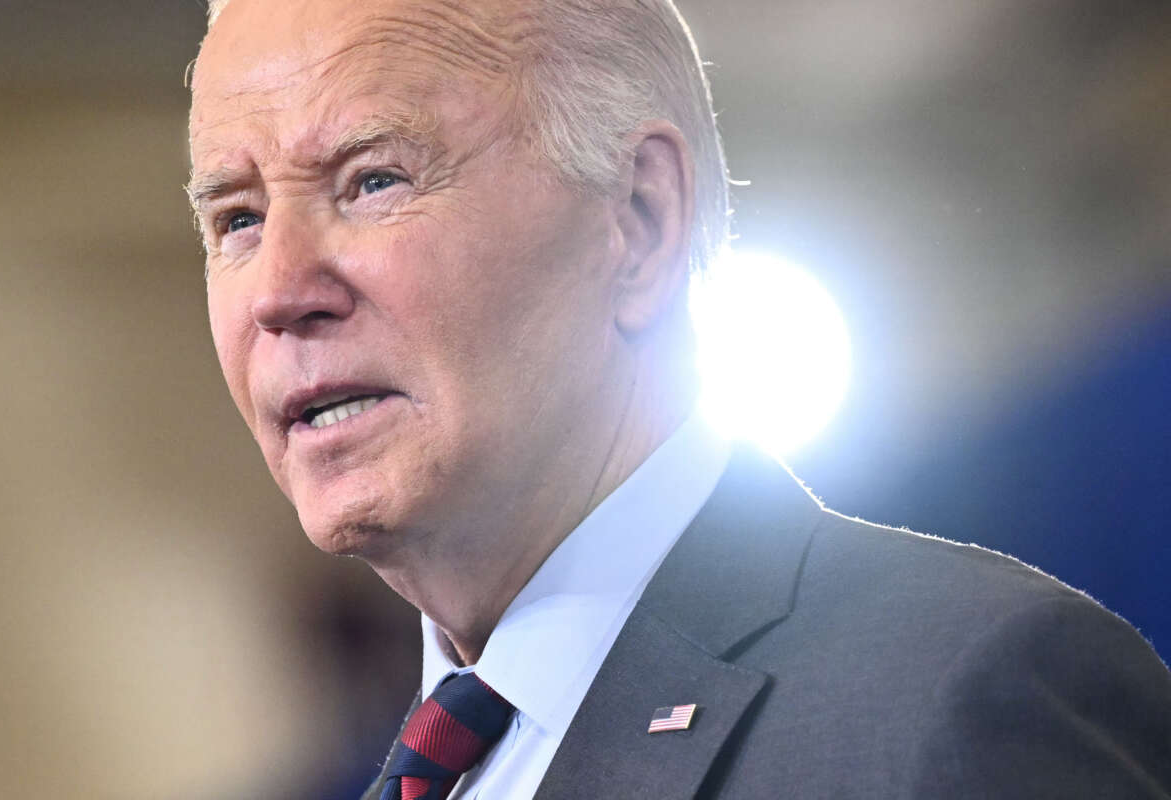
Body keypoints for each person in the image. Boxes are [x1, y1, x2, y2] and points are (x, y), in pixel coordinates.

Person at [186, 0, 1171, 797]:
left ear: (640, 218)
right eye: (236, 218)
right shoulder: (414, 772)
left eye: (372, 180)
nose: (277, 290)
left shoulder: (955, 702)